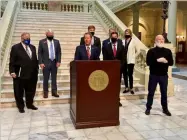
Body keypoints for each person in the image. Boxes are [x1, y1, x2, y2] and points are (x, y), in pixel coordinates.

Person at [9, 32, 38, 113]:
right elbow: (12, 61)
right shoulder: (15, 47)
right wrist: (12, 71)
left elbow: (34, 59)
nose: (27, 40)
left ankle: (30, 104)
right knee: (19, 91)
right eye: (26, 39)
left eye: (28, 38)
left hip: (32, 74)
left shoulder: (33, 47)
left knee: (31, 90)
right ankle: (20, 106)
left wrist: (37, 69)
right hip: (20, 74)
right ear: (21, 39)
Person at [145, 35, 173, 116]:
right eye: (159, 39)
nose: (160, 40)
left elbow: (171, 62)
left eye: (162, 39)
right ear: (155, 41)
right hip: (154, 75)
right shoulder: (151, 51)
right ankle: (148, 108)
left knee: (164, 93)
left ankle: (165, 109)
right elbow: (148, 62)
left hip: (164, 75)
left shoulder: (168, 51)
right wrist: (157, 60)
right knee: (151, 92)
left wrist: (166, 61)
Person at [102, 31, 124, 107]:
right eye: (113, 37)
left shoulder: (121, 44)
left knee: (117, 85)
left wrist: (121, 66)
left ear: (117, 37)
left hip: (118, 69)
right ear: (111, 38)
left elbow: (123, 57)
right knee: (109, 85)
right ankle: (109, 99)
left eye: (115, 36)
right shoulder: (107, 45)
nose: (114, 38)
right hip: (109, 69)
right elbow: (105, 58)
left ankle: (117, 100)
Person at [38, 29, 61, 98]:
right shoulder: (42, 42)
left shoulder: (56, 42)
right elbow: (39, 53)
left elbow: (59, 52)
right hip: (46, 62)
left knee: (54, 78)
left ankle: (54, 92)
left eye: (52, 35)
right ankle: (45, 92)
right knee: (46, 78)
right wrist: (41, 62)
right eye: (49, 35)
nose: (51, 36)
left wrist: (59, 61)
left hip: (54, 62)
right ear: (46, 34)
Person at [122, 29, 140, 94]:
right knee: (125, 74)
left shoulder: (134, 41)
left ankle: (131, 88)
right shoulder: (122, 41)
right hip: (124, 61)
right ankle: (126, 87)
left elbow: (138, 51)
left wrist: (133, 57)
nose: (127, 33)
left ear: (130, 33)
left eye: (128, 32)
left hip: (131, 60)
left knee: (130, 74)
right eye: (126, 32)